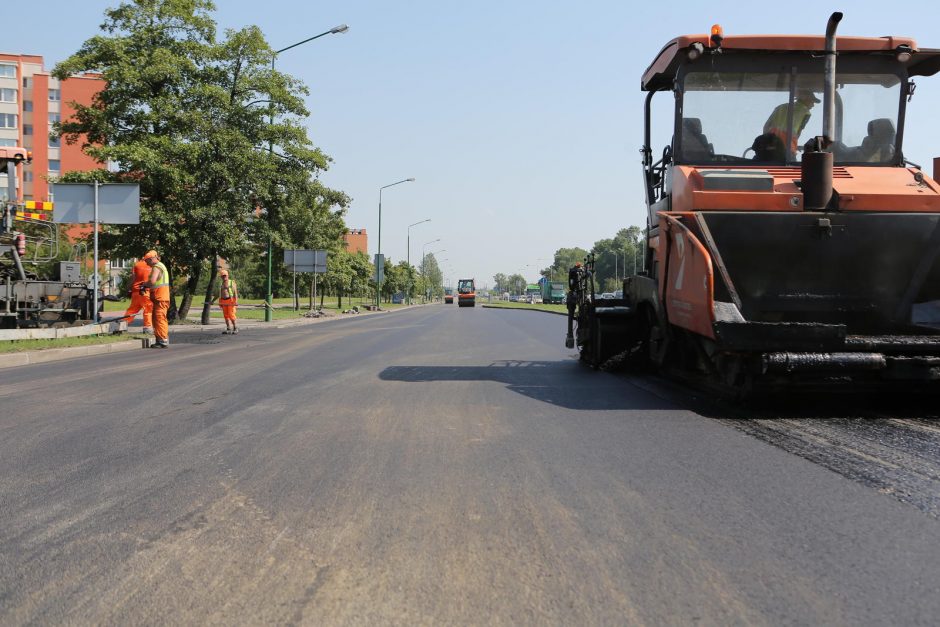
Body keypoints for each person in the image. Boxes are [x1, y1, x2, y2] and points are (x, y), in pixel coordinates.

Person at [761, 88, 820, 159]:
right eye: (812, 101)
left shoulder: (780, 107)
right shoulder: (806, 112)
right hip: (787, 149)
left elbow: (766, 127)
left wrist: (768, 144)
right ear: (805, 99)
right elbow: (798, 133)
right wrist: (793, 145)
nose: (813, 105)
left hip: (770, 147)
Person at [141, 250, 170, 349]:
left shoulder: (157, 267)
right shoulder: (160, 266)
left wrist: (144, 285)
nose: (146, 263)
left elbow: (152, 281)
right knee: (158, 319)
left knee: (160, 318)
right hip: (161, 297)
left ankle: (162, 340)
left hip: (160, 297)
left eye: (147, 261)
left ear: (152, 259)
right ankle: (161, 339)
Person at [122, 256, 153, 334]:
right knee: (147, 310)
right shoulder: (152, 265)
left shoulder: (137, 264)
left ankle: (122, 326)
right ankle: (148, 328)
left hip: (136, 291)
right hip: (146, 291)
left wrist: (128, 288)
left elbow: (133, 277)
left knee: (132, 310)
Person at [218, 269, 239, 335]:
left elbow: (235, 293)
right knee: (226, 315)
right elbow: (218, 293)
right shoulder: (221, 284)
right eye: (222, 276)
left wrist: (236, 301)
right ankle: (228, 328)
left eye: (225, 275)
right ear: (221, 277)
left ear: (227, 275)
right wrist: (212, 301)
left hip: (230, 300)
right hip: (223, 301)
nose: (224, 277)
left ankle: (235, 328)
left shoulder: (231, 282)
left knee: (231, 315)